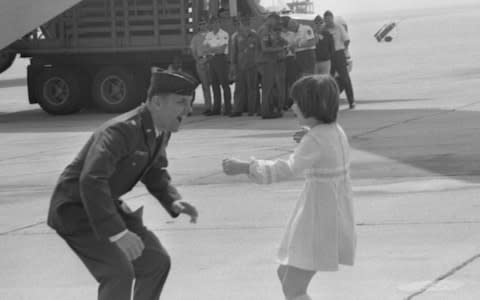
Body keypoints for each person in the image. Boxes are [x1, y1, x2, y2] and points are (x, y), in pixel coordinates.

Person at [47, 68, 200, 300]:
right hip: (75, 210)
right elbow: (91, 180)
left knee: (156, 262)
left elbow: (155, 171)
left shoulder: (161, 131)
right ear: (156, 102)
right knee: (118, 272)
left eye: (189, 103)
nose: (187, 110)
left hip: (105, 204)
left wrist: (173, 200)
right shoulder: (120, 131)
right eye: (181, 102)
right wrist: (118, 233)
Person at [222, 74, 356, 300]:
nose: (293, 107)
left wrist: (247, 167)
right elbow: (325, 149)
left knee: (293, 288)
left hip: (318, 220)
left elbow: (286, 169)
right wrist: (309, 135)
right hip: (328, 216)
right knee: (285, 273)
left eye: (297, 102)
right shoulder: (333, 131)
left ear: (312, 106)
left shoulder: (315, 139)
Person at [257, 12, 287, 119]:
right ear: (270, 19)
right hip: (266, 62)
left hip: (270, 62)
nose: (276, 23)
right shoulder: (264, 30)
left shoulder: (269, 30)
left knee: (271, 87)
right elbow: (264, 48)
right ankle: (266, 112)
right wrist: (280, 49)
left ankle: (269, 109)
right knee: (267, 87)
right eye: (276, 20)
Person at [324, 10, 355, 109]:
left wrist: (344, 50)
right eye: (326, 20)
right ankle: (330, 102)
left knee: (345, 78)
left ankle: (351, 101)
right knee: (329, 79)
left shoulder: (339, 27)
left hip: (339, 53)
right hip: (329, 55)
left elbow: (347, 40)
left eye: (329, 20)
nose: (328, 22)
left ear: (332, 18)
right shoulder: (323, 28)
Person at [230, 15, 260, 117]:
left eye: (247, 23)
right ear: (241, 25)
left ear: (250, 24)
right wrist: (233, 65)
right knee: (239, 89)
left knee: (252, 88)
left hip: (252, 66)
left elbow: (259, 50)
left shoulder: (255, 35)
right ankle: (237, 110)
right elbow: (234, 52)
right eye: (244, 23)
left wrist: (258, 63)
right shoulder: (236, 36)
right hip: (240, 66)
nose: (246, 25)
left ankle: (252, 110)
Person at [204, 16, 232, 115]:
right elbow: (206, 49)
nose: (215, 25)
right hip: (211, 60)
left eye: (217, 23)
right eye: (213, 23)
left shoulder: (224, 34)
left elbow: (222, 49)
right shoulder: (208, 35)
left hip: (221, 59)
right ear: (211, 24)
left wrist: (212, 49)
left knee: (224, 84)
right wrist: (215, 49)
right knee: (214, 85)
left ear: (219, 23)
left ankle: (228, 108)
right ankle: (216, 108)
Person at [190, 18, 213, 115]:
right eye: (200, 24)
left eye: (204, 23)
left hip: (210, 61)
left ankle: (215, 106)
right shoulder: (195, 38)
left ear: (207, 24)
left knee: (214, 85)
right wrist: (198, 61)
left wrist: (207, 59)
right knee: (205, 86)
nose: (202, 25)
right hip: (200, 61)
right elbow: (193, 51)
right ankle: (208, 107)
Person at [280, 16, 298, 110]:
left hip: (291, 59)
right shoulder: (279, 35)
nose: (284, 26)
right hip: (282, 60)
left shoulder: (292, 34)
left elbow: (295, 46)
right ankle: (284, 103)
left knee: (292, 82)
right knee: (283, 82)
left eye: (285, 23)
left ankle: (293, 102)